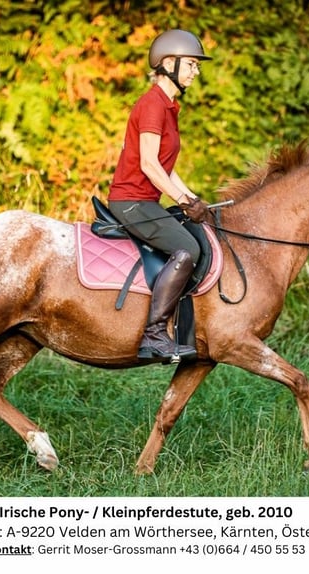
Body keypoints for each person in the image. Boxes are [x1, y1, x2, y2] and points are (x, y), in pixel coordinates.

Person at [108, 29, 212, 362]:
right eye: (192, 64)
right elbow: (149, 165)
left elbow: (166, 167)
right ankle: (154, 335)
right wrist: (182, 201)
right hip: (131, 201)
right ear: (169, 63)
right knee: (187, 249)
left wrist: (192, 197)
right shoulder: (152, 104)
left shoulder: (168, 107)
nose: (196, 71)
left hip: (146, 200)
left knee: (196, 237)